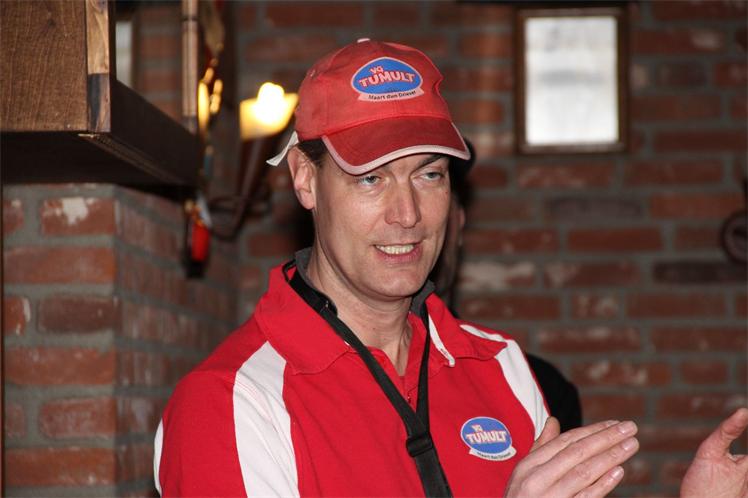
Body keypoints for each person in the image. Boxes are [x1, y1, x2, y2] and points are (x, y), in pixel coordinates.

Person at [154, 39, 748, 498]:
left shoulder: (499, 364)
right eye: (371, 178)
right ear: (306, 181)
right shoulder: (232, 402)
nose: (408, 214)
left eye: (430, 174)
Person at [432, 141, 582, 433]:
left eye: (431, 180)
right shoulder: (336, 377)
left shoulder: (537, 389)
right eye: (373, 180)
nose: (411, 217)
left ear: (459, 220)